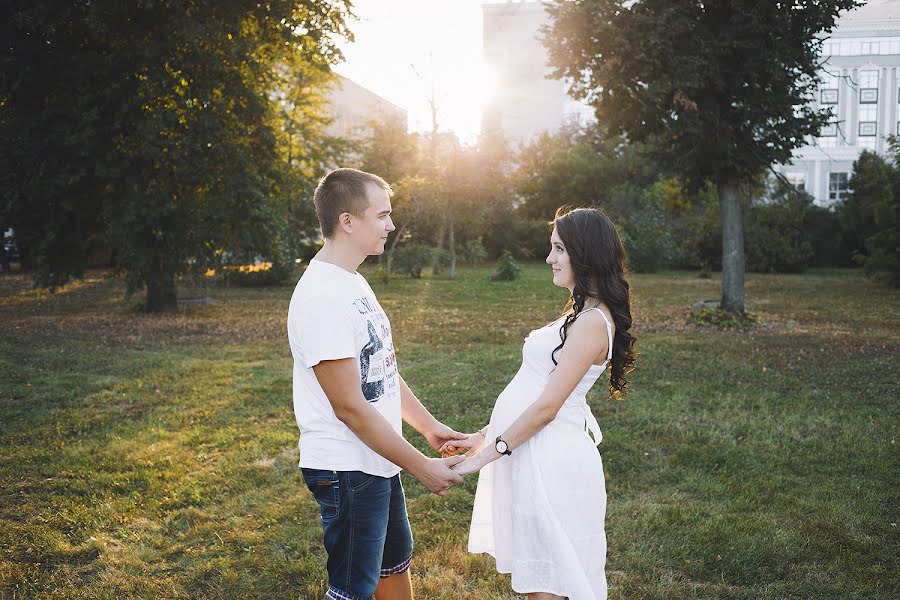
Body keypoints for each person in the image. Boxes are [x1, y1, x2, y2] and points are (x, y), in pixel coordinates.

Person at [287, 168, 466, 600]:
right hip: (347, 469)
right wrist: (420, 465)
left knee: (392, 568)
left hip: (377, 459)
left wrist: (427, 427)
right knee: (353, 590)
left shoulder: (353, 280)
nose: (391, 224)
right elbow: (349, 406)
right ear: (348, 221)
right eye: (382, 215)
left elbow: (380, 371)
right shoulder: (321, 297)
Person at [442, 207, 637, 600]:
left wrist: (481, 460)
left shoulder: (592, 323)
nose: (550, 258)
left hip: (552, 462)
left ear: (586, 254)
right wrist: (484, 436)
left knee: (548, 584)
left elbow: (548, 408)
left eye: (559, 249)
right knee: (542, 580)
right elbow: (534, 389)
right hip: (531, 450)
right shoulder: (579, 313)